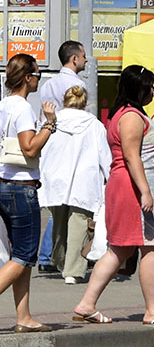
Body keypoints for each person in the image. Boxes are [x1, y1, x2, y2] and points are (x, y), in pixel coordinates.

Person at [72, 65, 154, 325]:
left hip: (127, 186)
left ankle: (86, 304)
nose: (153, 91)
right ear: (138, 89)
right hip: (135, 189)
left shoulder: (124, 113)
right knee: (151, 246)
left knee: (119, 250)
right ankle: (152, 310)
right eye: (150, 87)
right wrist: (145, 192)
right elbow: (132, 157)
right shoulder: (131, 116)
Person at [0, 54, 57, 332]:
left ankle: (23, 317)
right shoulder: (22, 108)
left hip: (3, 183)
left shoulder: (3, 106)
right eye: (37, 75)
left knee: (19, 256)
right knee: (24, 255)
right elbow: (30, 148)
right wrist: (49, 124)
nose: (39, 79)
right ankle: (23, 317)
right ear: (27, 78)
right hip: (21, 188)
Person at [38, 86, 111, 284]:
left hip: (57, 179)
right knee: (79, 223)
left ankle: (61, 261)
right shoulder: (95, 126)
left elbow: (43, 149)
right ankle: (73, 270)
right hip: (84, 181)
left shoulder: (53, 122)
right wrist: (110, 177)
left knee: (59, 224)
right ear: (84, 103)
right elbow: (105, 156)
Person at [35, 41, 88, 275]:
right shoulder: (76, 84)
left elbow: (42, 116)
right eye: (84, 56)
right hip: (71, 147)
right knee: (69, 205)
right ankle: (53, 255)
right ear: (74, 59)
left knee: (57, 204)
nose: (86, 60)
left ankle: (49, 255)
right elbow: (80, 119)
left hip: (51, 144)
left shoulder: (48, 84)